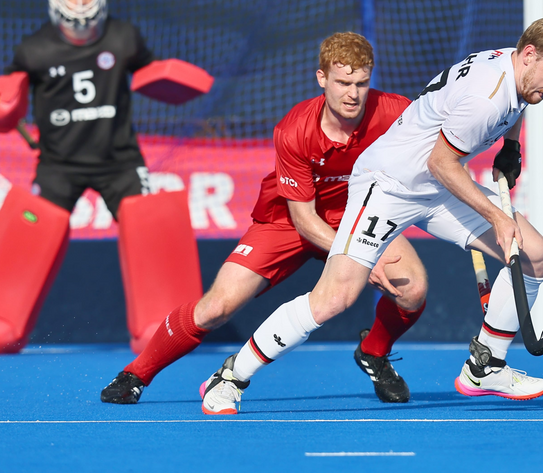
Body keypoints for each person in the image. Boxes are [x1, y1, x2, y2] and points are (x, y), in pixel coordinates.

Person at [196, 17, 543, 415]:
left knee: (537, 255)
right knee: (334, 298)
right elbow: (442, 163)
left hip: (437, 186)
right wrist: (498, 218)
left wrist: (511, 146)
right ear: (529, 54)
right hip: (388, 186)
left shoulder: (515, 67)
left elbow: (519, 100)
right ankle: (230, 377)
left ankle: (486, 366)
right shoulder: (485, 96)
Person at [101, 32, 429, 407]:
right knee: (217, 307)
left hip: (360, 215)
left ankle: (373, 351)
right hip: (288, 218)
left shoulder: (396, 112)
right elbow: (304, 219)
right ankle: (136, 374)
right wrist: (362, 257)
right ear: (321, 78)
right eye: (342, 83)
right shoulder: (294, 130)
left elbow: (441, 147)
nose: (353, 94)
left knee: (413, 289)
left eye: (361, 84)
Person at [0, 0, 208, 355]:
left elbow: (152, 74)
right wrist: (0, 108)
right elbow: (8, 99)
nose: (80, 3)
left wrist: (171, 77)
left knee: (152, 225)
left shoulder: (124, 37)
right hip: (59, 164)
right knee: (29, 227)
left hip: (120, 161)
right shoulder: (34, 49)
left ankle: (161, 323)